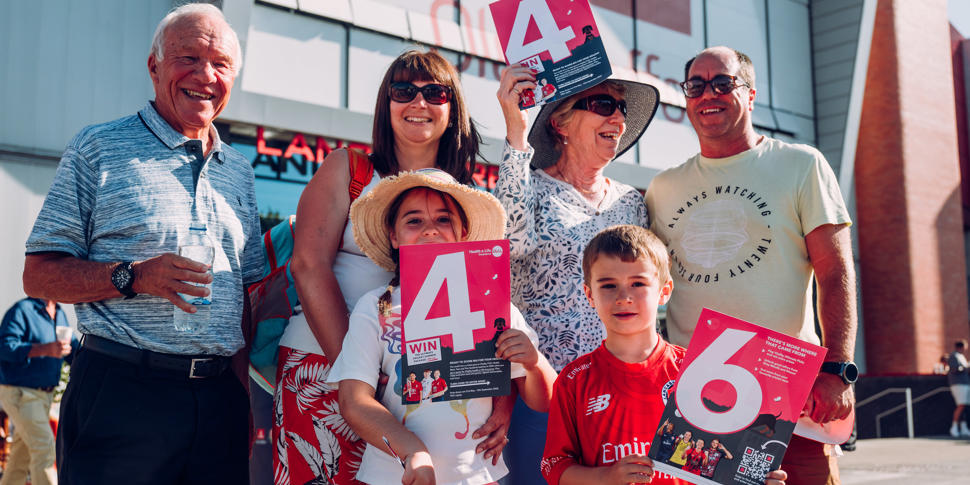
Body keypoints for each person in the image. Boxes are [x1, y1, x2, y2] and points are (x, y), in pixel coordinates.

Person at [22, 4, 263, 484]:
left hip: (219, 402)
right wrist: (133, 277)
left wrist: (242, 400)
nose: (205, 75)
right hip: (121, 393)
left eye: (220, 64)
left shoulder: (240, 171)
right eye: (188, 58)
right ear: (154, 67)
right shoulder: (97, 147)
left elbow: (246, 301)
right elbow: (39, 274)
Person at [275, 49, 512, 484]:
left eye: (434, 92)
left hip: (424, 390)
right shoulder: (349, 169)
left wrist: (501, 395)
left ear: (451, 107)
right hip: (325, 367)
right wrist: (359, 373)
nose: (418, 102)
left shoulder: (463, 195)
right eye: (403, 91)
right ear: (387, 104)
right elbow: (308, 265)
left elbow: (481, 306)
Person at [645, 46, 858, 485]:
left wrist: (837, 368)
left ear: (751, 94)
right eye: (696, 85)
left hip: (792, 398)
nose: (709, 94)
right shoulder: (662, 189)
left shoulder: (801, 165)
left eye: (724, 83)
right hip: (699, 402)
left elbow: (835, 273)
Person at [329, 168, 557, 484]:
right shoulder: (375, 306)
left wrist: (533, 364)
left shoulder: (495, 304)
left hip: (476, 475)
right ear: (393, 236)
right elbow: (353, 400)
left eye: (443, 219)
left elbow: (545, 400)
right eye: (413, 221)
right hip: (391, 475)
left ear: (463, 232)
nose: (430, 230)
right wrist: (413, 451)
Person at [495, 66, 659, 484]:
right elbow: (504, 246)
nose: (618, 119)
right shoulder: (529, 188)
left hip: (621, 392)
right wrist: (516, 132)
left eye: (621, 108)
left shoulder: (631, 203)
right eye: (604, 105)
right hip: (545, 392)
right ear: (561, 122)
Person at [541, 225, 786, 485]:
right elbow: (554, 467)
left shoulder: (698, 372)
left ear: (665, 290)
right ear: (590, 294)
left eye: (638, 283)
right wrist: (605, 476)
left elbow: (725, 462)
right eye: (609, 285)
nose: (624, 297)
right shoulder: (574, 380)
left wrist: (759, 478)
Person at [0, 298, 76, 485]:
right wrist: (44, 349)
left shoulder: (60, 313)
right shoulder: (22, 310)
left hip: (45, 395)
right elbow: (4, 348)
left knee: (21, 456)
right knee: (44, 447)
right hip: (21, 393)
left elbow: (73, 350)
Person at [947, 339, 970, 437]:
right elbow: (954, 369)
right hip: (958, 384)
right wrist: (965, 368)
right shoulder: (953, 355)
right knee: (961, 405)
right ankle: (954, 427)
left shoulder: (961, 356)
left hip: (965, 383)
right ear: (961, 347)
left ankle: (964, 428)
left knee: (965, 406)